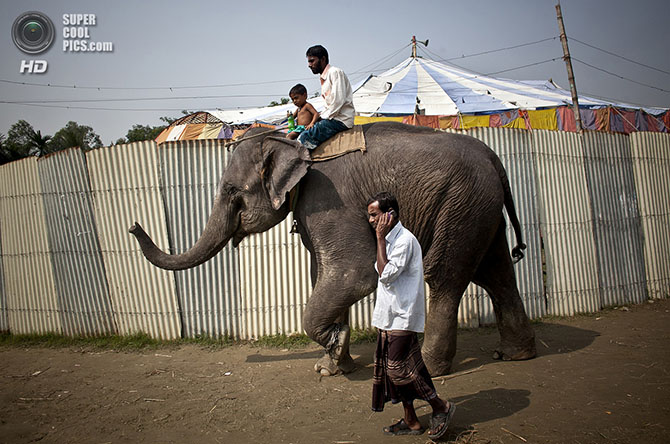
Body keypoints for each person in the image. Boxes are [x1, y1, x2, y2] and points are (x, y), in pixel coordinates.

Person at [367, 192, 456, 440]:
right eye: (370, 216)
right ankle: (411, 420)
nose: (372, 220)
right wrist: (382, 240)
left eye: (374, 215)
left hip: (403, 315)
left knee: (397, 369)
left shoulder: (404, 241)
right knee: (402, 368)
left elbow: (385, 275)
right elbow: (382, 270)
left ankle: (441, 406)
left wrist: (380, 239)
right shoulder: (390, 240)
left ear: (390, 214)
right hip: (388, 315)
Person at [298, 45, 355, 150]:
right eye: (309, 62)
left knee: (304, 137)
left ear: (323, 59)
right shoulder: (324, 78)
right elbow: (329, 105)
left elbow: (338, 101)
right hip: (333, 118)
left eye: (312, 61)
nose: (309, 65)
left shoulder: (335, 72)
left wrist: (322, 117)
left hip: (340, 119)